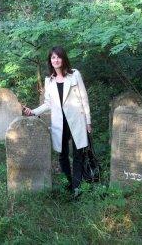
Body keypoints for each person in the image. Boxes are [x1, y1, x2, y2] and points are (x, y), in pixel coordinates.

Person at [23, 46, 92, 196]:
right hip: (59, 123)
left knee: (79, 154)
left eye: (58, 57)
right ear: (50, 61)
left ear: (63, 58)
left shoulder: (74, 75)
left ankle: (77, 187)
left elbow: (84, 99)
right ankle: (69, 183)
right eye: (53, 57)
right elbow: (48, 104)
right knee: (62, 155)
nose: (56, 60)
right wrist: (33, 112)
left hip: (77, 120)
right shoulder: (49, 81)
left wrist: (88, 121)